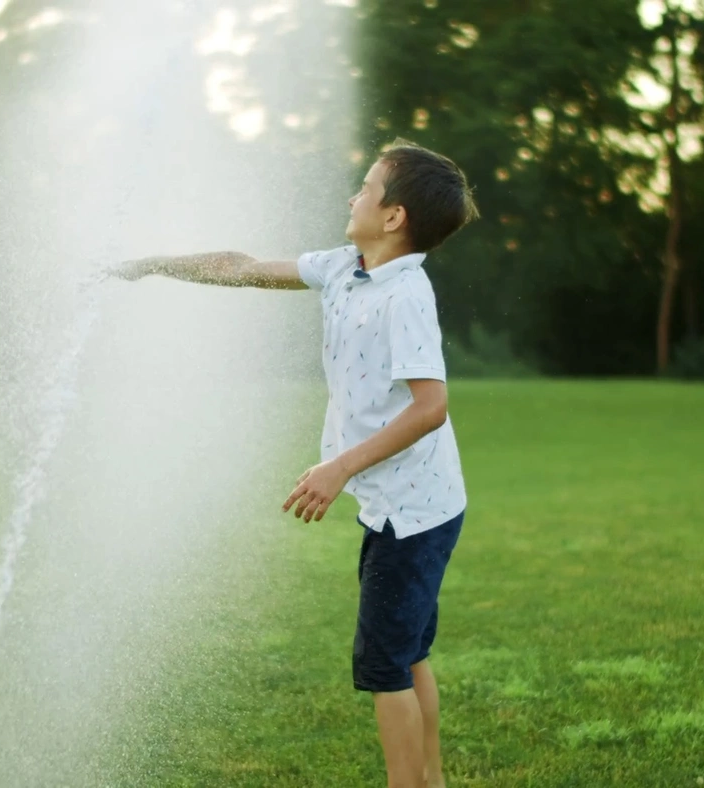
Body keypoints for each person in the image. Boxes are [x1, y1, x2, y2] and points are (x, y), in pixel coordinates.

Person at [105, 139, 479, 788]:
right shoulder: (343, 266)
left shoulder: (407, 295)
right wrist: (156, 264)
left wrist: (336, 468)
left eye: (366, 188)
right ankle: (432, 780)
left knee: (386, 664)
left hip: (415, 512)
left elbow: (431, 408)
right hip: (405, 503)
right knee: (410, 651)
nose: (352, 195)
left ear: (393, 217)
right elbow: (244, 267)